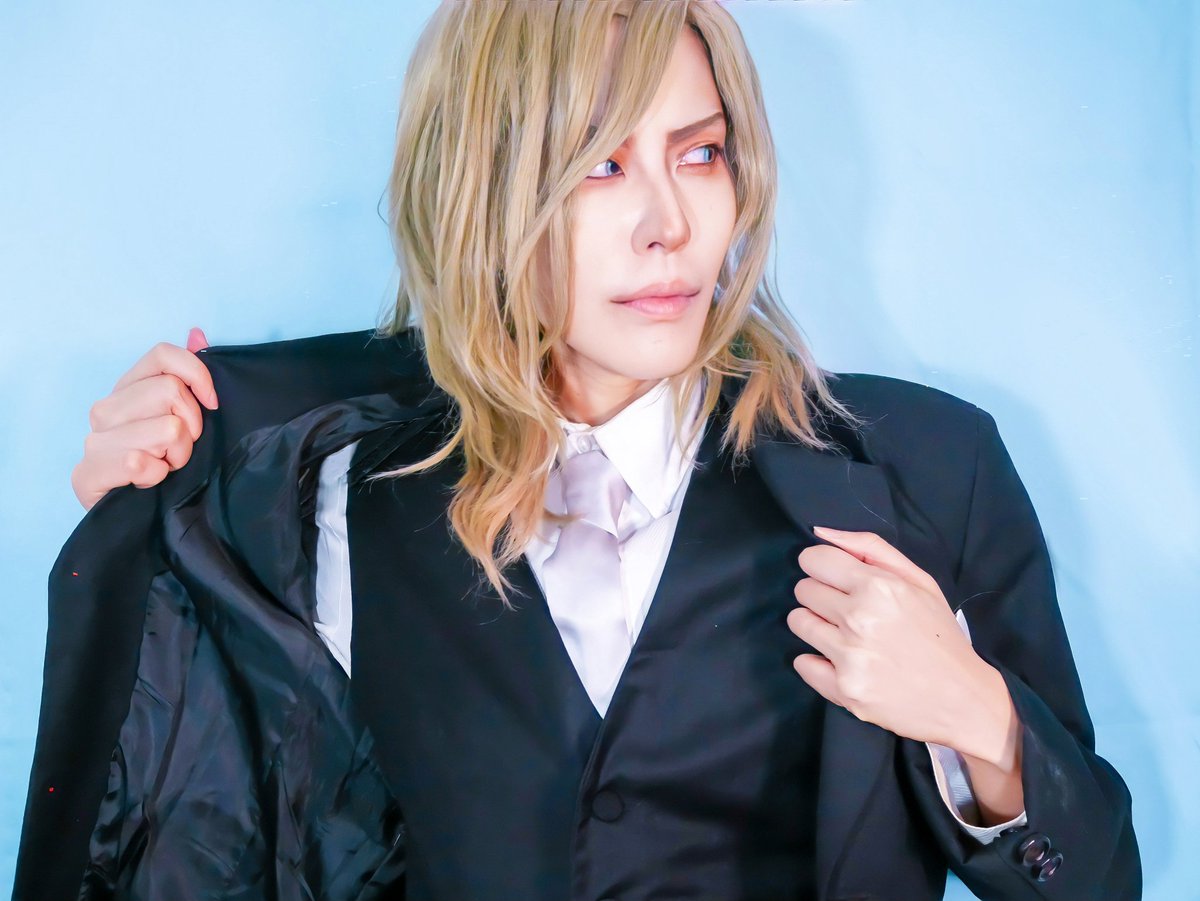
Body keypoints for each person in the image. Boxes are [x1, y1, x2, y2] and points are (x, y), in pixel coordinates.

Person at [16, 1, 1140, 899]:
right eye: (600, 166)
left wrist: (979, 718)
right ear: (482, 192)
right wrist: (141, 520)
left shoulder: (928, 469)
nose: (669, 224)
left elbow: (1098, 882)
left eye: (700, 154)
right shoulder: (328, 494)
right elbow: (198, 809)